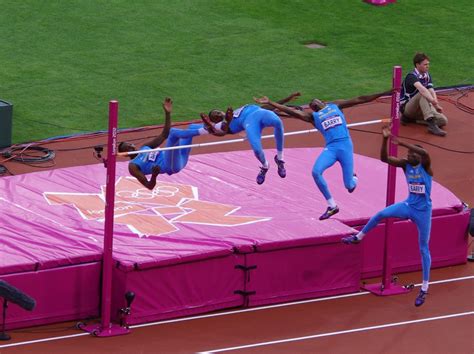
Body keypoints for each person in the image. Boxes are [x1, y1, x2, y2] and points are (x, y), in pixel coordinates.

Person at [254, 90, 390, 220]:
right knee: (316, 172)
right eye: (312, 105)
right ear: (313, 109)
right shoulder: (313, 117)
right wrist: (270, 102)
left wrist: (384, 93)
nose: (313, 103)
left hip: (345, 146)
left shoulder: (335, 106)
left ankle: (354, 178)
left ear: (323, 102)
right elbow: (291, 111)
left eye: (315, 101)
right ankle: (332, 206)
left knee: (349, 186)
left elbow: (360, 99)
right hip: (331, 148)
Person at [342, 126, 433, 307]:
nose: (408, 155)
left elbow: (424, 151)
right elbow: (384, 159)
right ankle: (358, 237)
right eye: (407, 153)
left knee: (423, 248)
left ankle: (424, 289)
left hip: (423, 212)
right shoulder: (405, 165)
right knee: (381, 213)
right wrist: (385, 139)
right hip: (408, 206)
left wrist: (401, 142)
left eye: (411, 154)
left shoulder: (426, 167)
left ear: (419, 158)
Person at [200, 92, 301, 185]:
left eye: (217, 112)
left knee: (278, 122)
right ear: (216, 121)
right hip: (250, 124)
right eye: (215, 116)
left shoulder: (236, 111)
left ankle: (280, 159)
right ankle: (265, 166)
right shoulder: (223, 125)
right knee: (257, 149)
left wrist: (288, 98)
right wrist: (222, 122)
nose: (218, 114)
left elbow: (267, 107)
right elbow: (222, 131)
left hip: (260, 113)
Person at [118, 97, 209, 190]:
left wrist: (167, 113)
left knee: (192, 127)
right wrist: (154, 175)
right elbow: (149, 186)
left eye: (130, 144)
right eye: (127, 148)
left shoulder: (145, 147)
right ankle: (205, 130)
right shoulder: (133, 166)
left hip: (181, 157)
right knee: (173, 132)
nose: (131, 146)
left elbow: (164, 134)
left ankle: (218, 128)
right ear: (125, 154)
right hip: (171, 165)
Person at [400, 52, 448, 136]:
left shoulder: (427, 75)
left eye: (428, 64)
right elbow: (422, 90)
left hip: (421, 107)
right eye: (425, 64)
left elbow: (431, 90)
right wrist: (433, 101)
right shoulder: (411, 76)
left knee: (443, 120)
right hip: (408, 107)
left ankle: (412, 120)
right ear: (417, 65)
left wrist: (436, 105)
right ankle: (431, 125)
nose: (427, 66)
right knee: (422, 94)